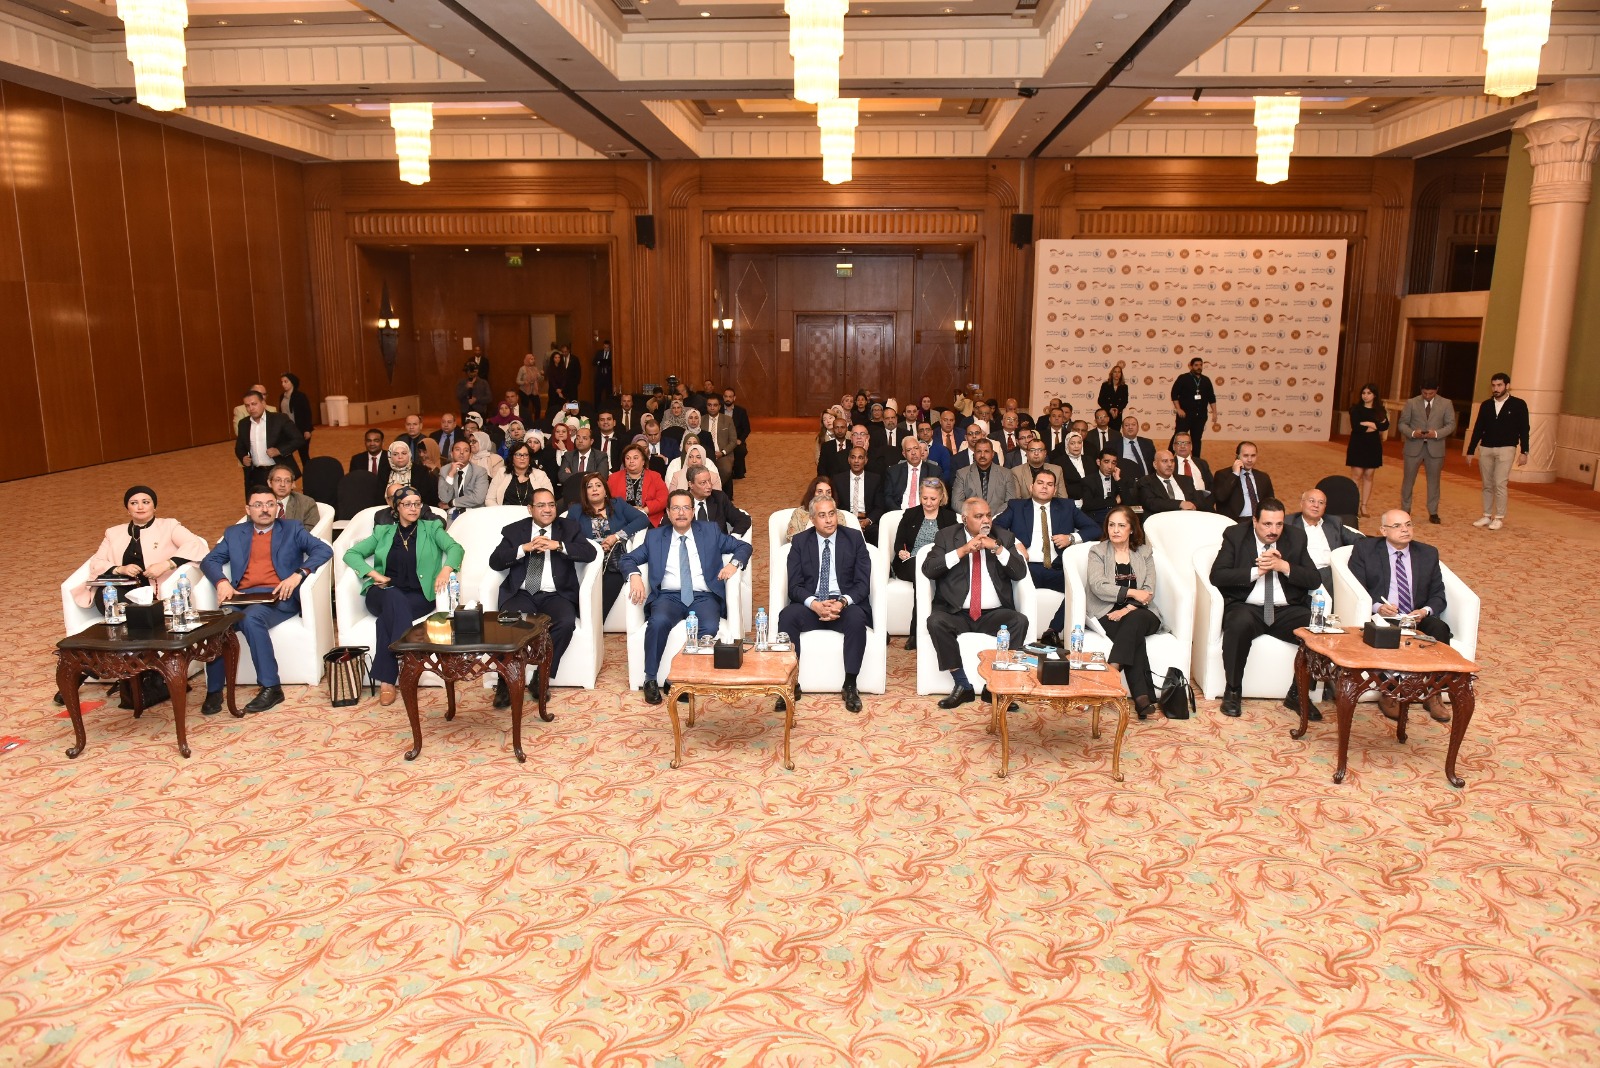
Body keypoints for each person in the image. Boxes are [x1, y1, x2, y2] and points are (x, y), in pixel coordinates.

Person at [197, 485, 333, 715]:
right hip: (243, 597)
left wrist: (298, 574)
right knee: (216, 624)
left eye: (270, 504)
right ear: (248, 509)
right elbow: (209, 561)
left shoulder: (291, 528)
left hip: (279, 597)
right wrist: (221, 582)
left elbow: (323, 549)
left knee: (251, 619)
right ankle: (214, 690)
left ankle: (271, 687)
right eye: (258, 505)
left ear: (277, 508)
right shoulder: (234, 533)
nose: (265, 510)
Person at [621, 490, 753, 704]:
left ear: (693, 511)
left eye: (685, 508)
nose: (681, 513)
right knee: (657, 622)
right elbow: (627, 559)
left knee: (709, 626)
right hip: (668, 597)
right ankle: (650, 679)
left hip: (703, 596)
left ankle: (684, 679)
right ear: (668, 512)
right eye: (675, 508)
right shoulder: (655, 537)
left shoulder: (710, 531)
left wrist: (733, 564)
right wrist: (635, 576)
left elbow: (743, 546)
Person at [343, 485, 463, 706]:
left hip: (418, 596)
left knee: (386, 620)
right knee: (393, 597)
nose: (413, 508)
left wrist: (446, 570)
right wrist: (374, 574)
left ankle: (387, 681)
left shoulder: (432, 528)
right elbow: (352, 554)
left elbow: (456, 549)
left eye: (417, 504)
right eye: (407, 504)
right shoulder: (383, 532)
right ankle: (409, 665)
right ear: (396, 507)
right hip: (382, 592)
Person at [481, 486, 599, 706]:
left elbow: (590, 553)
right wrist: (523, 548)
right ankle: (505, 681)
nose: (547, 509)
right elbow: (495, 561)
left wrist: (559, 546)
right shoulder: (515, 531)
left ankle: (541, 676)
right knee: (506, 624)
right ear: (530, 509)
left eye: (551, 505)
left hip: (556, 594)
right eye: (541, 505)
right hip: (522, 593)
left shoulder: (569, 528)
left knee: (565, 622)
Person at [1208, 498, 1320, 718]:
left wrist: (1284, 567)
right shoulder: (1235, 535)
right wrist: (1256, 571)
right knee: (1238, 624)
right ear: (1254, 521)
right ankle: (1233, 690)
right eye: (1267, 524)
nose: (1274, 531)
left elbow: (1314, 579)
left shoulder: (1296, 537)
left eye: (1279, 524)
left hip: (1286, 609)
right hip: (1248, 606)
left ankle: (1298, 694)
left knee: (1317, 629)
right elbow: (1217, 575)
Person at [922, 497, 1030, 708]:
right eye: (979, 516)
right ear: (965, 519)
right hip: (956, 612)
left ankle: (995, 688)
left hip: (993, 614)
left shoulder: (1003, 536)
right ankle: (962, 685)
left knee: (1019, 621)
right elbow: (929, 569)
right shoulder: (946, 536)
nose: (986, 520)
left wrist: (997, 548)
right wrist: (962, 551)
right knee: (935, 622)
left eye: (988, 515)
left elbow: (1020, 572)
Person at [1349, 509, 1454, 722]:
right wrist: (1378, 606)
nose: (1405, 530)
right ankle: (1389, 692)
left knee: (1440, 628)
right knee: (1386, 630)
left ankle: (1434, 693)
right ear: (1383, 530)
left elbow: (1438, 594)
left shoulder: (1428, 553)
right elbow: (1355, 586)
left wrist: (1425, 611)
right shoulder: (1365, 549)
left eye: (1408, 524)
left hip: (1416, 616)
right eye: (1397, 526)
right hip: (1383, 615)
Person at [778, 496, 873, 712]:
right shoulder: (800, 542)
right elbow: (794, 586)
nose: (829, 520)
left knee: (857, 618)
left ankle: (850, 684)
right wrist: (815, 604)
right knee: (787, 617)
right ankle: (791, 685)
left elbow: (862, 583)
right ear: (812, 519)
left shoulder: (854, 538)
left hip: (842, 604)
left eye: (832, 514)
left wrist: (842, 602)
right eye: (822, 515)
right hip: (812, 605)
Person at [995, 467, 1102, 643]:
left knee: (1081, 591)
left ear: (1055, 489)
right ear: (1031, 487)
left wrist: (1071, 538)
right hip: (1028, 568)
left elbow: (1094, 529)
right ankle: (1017, 636)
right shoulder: (1017, 506)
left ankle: (1052, 632)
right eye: (1040, 483)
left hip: (1057, 567)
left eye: (1050, 484)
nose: (1044, 487)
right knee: (1006, 586)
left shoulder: (1067, 507)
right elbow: (996, 527)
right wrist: (1016, 543)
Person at [71, 485, 209, 610]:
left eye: (146, 502)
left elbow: (195, 544)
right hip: (124, 588)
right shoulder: (113, 533)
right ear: (128, 509)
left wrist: (166, 565)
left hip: (156, 589)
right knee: (106, 596)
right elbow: (97, 562)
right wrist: (120, 569)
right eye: (134, 503)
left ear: (154, 507)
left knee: (135, 610)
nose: (140, 507)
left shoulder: (169, 526)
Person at [1085, 506, 1161, 718]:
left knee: (1133, 620)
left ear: (1131, 529)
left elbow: (1148, 590)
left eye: (1121, 525)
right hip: (1108, 612)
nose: (1115, 530)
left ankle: (1110, 673)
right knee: (1133, 635)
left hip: (1142, 612)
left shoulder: (1144, 552)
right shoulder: (1098, 552)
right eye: (1111, 525)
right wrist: (1132, 592)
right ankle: (1143, 699)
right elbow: (1098, 586)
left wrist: (1127, 608)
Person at [567, 470, 649, 620]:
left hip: (614, 560)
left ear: (605, 490)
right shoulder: (576, 511)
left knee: (613, 580)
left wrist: (616, 536)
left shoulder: (618, 504)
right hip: (588, 560)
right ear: (585, 492)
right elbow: (569, 535)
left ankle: (591, 624)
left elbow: (643, 519)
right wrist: (593, 547)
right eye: (589, 486)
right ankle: (577, 621)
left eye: (598, 485)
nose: (594, 489)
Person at [891, 479, 959, 650]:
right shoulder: (910, 514)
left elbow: (954, 546)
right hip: (910, 563)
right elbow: (898, 543)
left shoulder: (949, 517)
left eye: (933, 499)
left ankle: (939, 628)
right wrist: (901, 552)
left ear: (941, 497)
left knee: (932, 573)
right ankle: (916, 632)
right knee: (920, 571)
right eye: (925, 498)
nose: (928, 503)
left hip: (938, 564)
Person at [1466, 371, 1530, 531]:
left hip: (1506, 449)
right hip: (1486, 448)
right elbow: (1478, 428)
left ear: (1507, 386)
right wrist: (1471, 450)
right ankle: (1487, 515)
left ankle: (1499, 517)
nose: (1496, 388)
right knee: (1487, 484)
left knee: (1500, 483)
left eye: (1499, 385)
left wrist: (1525, 451)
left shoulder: (1518, 404)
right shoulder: (1486, 405)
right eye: (1493, 385)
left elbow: (1524, 429)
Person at [1398, 380, 1456, 525]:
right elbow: (1402, 424)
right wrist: (1412, 433)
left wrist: (1436, 433)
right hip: (1413, 447)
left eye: (1431, 393)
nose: (1428, 396)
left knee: (1434, 482)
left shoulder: (1446, 403)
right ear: (1420, 390)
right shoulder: (1411, 403)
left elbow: (1451, 425)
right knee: (1408, 480)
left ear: (1437, 390)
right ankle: (1405, 510)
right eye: (1425, 393)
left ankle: (1433, 512)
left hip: (1435, 448)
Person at [1288, 488, 1362, 592]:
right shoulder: (1289, 523)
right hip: (1303, 574)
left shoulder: (1333, 523)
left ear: (1325, 507)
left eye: (1321, 503)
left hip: (1331, 575)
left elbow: (1360, 541)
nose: (1316, 505)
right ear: (1301, 503)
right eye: (1312, 501)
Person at [235, 390, 302, 496]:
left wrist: (279, 450)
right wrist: (243, 457)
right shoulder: (243, 424)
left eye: (254, 404)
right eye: (247, 405)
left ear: (263, 403)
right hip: (256, 473)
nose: (251, 408)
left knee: (282, 502)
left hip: (278, 470)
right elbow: (239, 447)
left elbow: (298, 439)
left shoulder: (279, 419)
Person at [1345, 382, 1389, 518]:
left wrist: (1370, 424)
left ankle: (1364, 506)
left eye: (1369, 393)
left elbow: (1385, 426)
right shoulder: (1356, 409)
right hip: (1358, 444)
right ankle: (1353, 506)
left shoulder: (1380, 410)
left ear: (1374, 395)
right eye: (1363, 393)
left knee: (1369, 475)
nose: (1365, 396)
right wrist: (1376, 426)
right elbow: (1357, 428)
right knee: (1356, 476)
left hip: (1373, 446)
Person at [609, 442, 670, 527]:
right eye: (628, 458)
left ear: (643, 461)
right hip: (621, 520)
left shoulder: (655, 476)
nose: (631, 461)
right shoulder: (613, 478)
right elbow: (608, 501)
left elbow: (664, 499)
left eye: (635, 458)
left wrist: (644, 510)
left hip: (649, 520)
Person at [1213, 441, 1276, 523]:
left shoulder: (1263, 477)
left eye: (1253, 456)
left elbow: (1270, 501)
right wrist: (1235, 474)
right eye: (1246, 456)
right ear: (1237, 457)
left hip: (1259, 520)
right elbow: (1220, 497)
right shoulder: (1222, 474)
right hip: (1236, 521)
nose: (1250, 460)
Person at [881, 436, 945, 515]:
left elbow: (941, 496)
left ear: (920, 450)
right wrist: (900, 514)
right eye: (909, 450)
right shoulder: (893, 471)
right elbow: (888, 498)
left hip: (925, 513)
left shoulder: (934, 471)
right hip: (900, 513)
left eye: (916, 448)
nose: (913, 452)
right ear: (904, 454)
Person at [1137, 449, 1213, 515]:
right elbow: (1152, 503)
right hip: (1160, 521)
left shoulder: (1186, 480)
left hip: (1188, 518)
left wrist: (1191, 507)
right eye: (1165, 461)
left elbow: (1197, 501)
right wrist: (1180, 504)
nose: (1170, 464)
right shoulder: (1146, 481)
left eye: (1172, 461)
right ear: (1155, 464)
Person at [950, 438, 1012, 519]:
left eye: (986, 451)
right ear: (974, 454)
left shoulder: (1006, 474)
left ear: (993, 454)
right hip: (972, 520)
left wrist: (993, 517)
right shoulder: (962, 474)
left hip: (999, 520)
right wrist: (975, 515)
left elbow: (1011, 501)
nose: (982, 455)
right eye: (979, 451)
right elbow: (956, 502)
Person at [1169, 357, 1217, 457]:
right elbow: (1174, 394)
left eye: (1200, 365)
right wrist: (1178, 409)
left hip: (1200, 416)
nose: (1199, 367)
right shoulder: (1183, 378)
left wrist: (1214, 412)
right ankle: (1168, 456)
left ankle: (1196, 461)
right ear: (1190, 366)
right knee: (1178, 437)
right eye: (1196, 365)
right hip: (1185, 415)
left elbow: (1211, 397)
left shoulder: (1206, 380)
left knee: (1196, 439)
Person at [684, 464, 751, 536]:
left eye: (709, 481)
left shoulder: (719, 498)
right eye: (703, 483)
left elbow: (743, 519)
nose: (709, 486)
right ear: (691, 484)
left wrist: (733, 537)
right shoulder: (680, 501)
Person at [837, 446, 883, 543]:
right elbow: (836, 506)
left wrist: (867, 521)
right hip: (846, 521)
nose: (856, 461)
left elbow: (879, 507)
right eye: (853, 457)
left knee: (877, 533)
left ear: (865, 460)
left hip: (867, 521)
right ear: (849, 460)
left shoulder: (875, 479)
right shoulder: (838, 479)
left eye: (860, 457)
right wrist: (849, 522)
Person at [487, 441, 554, 507]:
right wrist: (500, 512)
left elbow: (549, 500)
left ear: (529, 458)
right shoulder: (502, 472)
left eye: (525, 455)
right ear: (512, 458)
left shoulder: (540, 475)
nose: (522, 458)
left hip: (532, 513)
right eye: (518, 455)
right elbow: (489, 499)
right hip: (505, 513)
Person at [438, 438, 489, 518]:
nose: (461, 453)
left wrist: (452, 503)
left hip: (474, 513)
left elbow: (478, 498)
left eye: (466, 450)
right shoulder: (444, 470)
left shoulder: (480, 472)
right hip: (452, 515)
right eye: (457, 449)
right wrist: (450, 475)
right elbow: (444, 499)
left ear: (470, 455)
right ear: (451, 454)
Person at [1080, 449, 1134, 525]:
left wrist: (1118, 480)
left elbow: (1128, 502)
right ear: (1098, 462)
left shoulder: (1119, 480)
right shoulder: (1088, 480)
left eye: (1113, 463)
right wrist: (1114, 501)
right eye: (1106, 462)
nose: (1110, 466)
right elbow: (1088, 504)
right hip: (1096, 518)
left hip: (1116, 516)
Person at [558, 425, 609, 503]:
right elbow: (562, 477)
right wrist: (590, 475)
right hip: (572, 495)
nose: (580, 441)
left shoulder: (600, 456)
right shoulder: (569, 455)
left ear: (591, 441)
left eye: (584, 438)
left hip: (593, 495)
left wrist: (573, 475)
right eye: (578, 438)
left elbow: (602, 477)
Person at [265, 463, 323, 530]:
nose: (282, 484)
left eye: (287, 481)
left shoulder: (307, 503)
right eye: (278, 480)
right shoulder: (260, 501)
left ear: (293, 484)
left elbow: (311, 531)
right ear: (269, 483)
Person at [279, 372, 315, 472]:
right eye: (282, 382)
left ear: (292, 382)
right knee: (285, 454)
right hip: (287, 430)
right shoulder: (282, 396)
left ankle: (309, 475)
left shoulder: (300, 396)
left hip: (300, 430)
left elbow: (307, 413)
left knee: (304, 455)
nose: (283, 384)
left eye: (286, 381)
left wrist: (307, 430)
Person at [786, 478, 836, 543]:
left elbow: (842, 538)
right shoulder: (799, 513)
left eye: (828, 492)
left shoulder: (838, 514)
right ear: (812, 493)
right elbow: (791, 538)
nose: (824, 495)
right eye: (820, 491)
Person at [702, 395, 737, 485]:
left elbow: (733, 441)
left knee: (726, 470)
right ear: (706, 406)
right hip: (705, 454)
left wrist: (722, 452)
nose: (712, 408)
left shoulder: (728, 420)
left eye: (715, 405)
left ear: (719, 406)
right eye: (709, 405)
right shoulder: (701, 420)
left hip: (723, 454)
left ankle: (716, 486)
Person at [721, 387, 751, 482]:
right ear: (723, 397)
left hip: (736, 440)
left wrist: (740, 440)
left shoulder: (741, 411)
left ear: (734, 398)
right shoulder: (718, 410)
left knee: (741, 451)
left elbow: (747, 429)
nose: (728, 399)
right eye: (726, 396)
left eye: (730, 397)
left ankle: (737, 471)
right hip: (721, 439)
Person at [1170, 431, 1213, 497]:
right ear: (1173, 447)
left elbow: (1212, 485)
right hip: (1179, 501)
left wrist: (1208, 501)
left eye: (1186, 443)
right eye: (1179, 443)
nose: (1182, 446)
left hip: (1202, 501)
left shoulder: (1202, 463)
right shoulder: (1169, 464)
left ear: (1191, 446)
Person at [1117, 415, 1155, 480]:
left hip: (1147, 481)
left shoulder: (1148, 443)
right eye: (1127, 425)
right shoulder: (1113, 444)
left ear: (1138, 427)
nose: (1130, 427)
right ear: (1122, 428)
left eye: (1133, 425)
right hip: (1125, 481)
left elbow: (1154, 463)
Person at [1057, 432, 1092, 502]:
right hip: (1069, 500)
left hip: (1090, 499)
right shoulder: (1059, 462)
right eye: (1072, 443)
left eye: (1079, 443)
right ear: (1067, 445)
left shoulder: (1089, 460)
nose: (1076, 446)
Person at [516, 352, 543, 426]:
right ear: (527, 360)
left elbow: (540, 379)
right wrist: (524, 382)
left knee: (538, 407)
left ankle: (537, 423)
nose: (533, 360)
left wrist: (541, 375)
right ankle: (526, 423)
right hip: (524, 391)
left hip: (534, 391)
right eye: (531, 359)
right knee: (525, 409)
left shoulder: (535, 369)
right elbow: (517, 381)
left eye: (533, 359)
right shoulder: (522, 369)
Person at [593, 340, 613, 406]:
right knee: (597, 394)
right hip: (600, 377)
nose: (606, 349)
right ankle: (597, 409)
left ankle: (608, 407)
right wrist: (599, 362)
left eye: (607, 347)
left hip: (608, 377)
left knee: (609, 394)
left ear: (609, 347)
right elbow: (593, 362)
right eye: (605, 347)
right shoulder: (599, 353)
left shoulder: (612, 354)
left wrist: (608, 364)